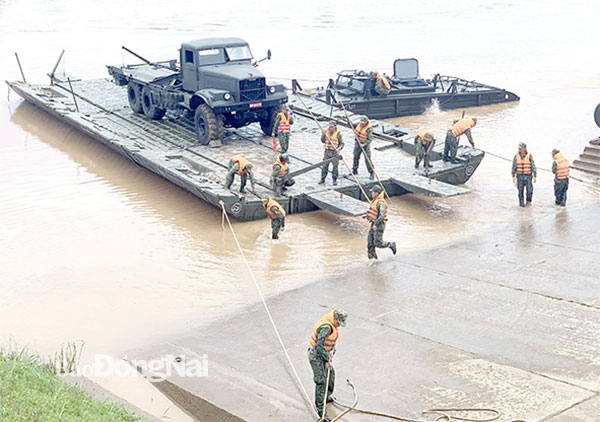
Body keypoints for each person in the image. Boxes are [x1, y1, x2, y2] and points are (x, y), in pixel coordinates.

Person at [308, 309, 348, 422]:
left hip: (323, 355)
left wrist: (332, 351)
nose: (339, 325)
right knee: (321, 382)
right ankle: (321, 413)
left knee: (330, 376)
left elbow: (332, 342)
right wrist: (327, 360)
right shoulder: (326, 328)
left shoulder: (333, 326)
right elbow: (319, 346)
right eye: (339, 322)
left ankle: (326, 396)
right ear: (335, 318)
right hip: (316, 356)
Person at [364, 185, 396, 259]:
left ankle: (391, 244)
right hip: (374, 223)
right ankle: (373, 259)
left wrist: (376, 224)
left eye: (372, 192)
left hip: (379, 224)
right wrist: (368, 215)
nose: (371, 194)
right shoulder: (375, 201)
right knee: (370, 242)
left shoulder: (381, 203)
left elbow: (381, 216)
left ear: (376, 193)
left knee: (378, 243)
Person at [511, 142, 537, 207]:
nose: (520, 150)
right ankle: (521, 206)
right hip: (520, 177)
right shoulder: (516, 157)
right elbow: (514, 166)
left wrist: (535, 176)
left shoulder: (529, 156)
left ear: (525, 148)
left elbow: (533, 166)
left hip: (528, 176)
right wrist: (513, 176)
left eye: (521, 148)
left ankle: (528, 203)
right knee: (520, 192)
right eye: (519, 148)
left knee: (529, 191)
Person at [319, 121, 344, 186]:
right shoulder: (326, 132)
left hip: (334, 152)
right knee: (324, 165)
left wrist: (339, 148)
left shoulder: (338, 134)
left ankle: (334, 179)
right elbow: (322, 141)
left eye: (332, 127)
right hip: (327, 151)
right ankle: (322, 178)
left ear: (335, 127)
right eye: (330, 127)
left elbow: (342, 143)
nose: (330, 128)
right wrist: (323, 135)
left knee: (335, 167)